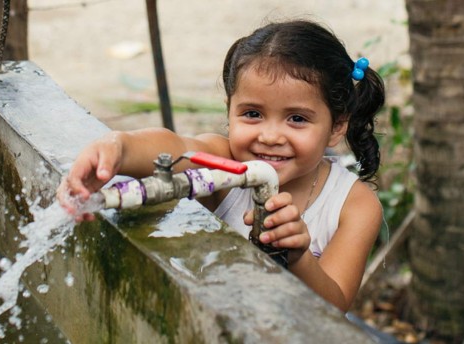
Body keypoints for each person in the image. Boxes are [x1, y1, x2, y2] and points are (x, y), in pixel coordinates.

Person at [57, 19, 385, 312]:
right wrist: (117, 148)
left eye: (297, 119)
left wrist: (298, 257)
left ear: (337, 125)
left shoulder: (353, 206)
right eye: (252, 114)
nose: (270, 136)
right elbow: (174, 147)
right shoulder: (225, 164)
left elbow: (334, 305)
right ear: (229, 111)